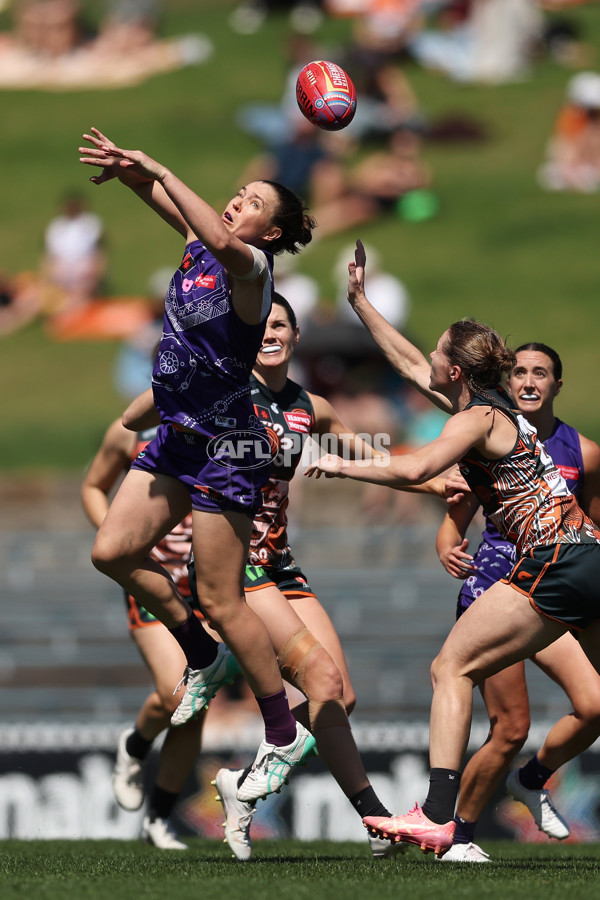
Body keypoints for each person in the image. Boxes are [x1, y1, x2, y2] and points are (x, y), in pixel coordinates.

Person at [121, 292, 453, 859]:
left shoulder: (310, 407)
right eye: (263, 324)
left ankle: (260, 784)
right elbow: (148, 428)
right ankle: (365, 816)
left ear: (297, 337)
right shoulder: (224, 390)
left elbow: (373, 460)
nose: (271, 332)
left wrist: (440, 483)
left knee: (340, 698)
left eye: (282, 325)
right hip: (237, 568)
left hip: (281, 564)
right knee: (321, 686)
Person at [305, 240, 600, 858]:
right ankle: (450, 814)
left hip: (554, 559)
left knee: (451, 668)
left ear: (457, 371)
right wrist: (360, 303)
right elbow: (411, 366)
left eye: (440, 352)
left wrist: (336, 462)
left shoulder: (474, 421)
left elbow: (419, 472)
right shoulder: (491, 412)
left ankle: (439, 815)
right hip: (586, 557)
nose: (430, 359)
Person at [78, 126, 317, 804]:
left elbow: (212, 232)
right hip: (178, 436)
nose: (235, 203)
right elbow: (172, 207)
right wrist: (129, 170)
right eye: (237, 196)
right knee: (111, 549)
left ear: (267, 234)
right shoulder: (198, 246)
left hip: (223, 448)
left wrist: (157, 159)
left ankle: (280, 729)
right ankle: (203, 654)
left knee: (221, 596)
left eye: (250, 204)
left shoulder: (253, 271)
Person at [435, 342, 600, 861]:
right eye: (520, 373)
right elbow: (456, 515)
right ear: (507, 382)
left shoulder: (585, 451)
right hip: (496, 589)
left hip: (554, 587)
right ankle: (457, 834)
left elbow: (590, 523)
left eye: (541, 373)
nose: (529, 382)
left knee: (595, 705)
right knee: (510, 727)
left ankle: (532, 779)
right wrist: (447, 546)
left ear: (557, 384)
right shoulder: (490, 428)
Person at [81, 417, 205, 849]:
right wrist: (117, 537)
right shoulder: (129, 428)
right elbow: (94, 486)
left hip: (212, 582)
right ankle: (135, 745)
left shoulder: (236, 419)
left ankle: (159, 820)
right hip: (153, 578)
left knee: (198, 700)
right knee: (177, 691)